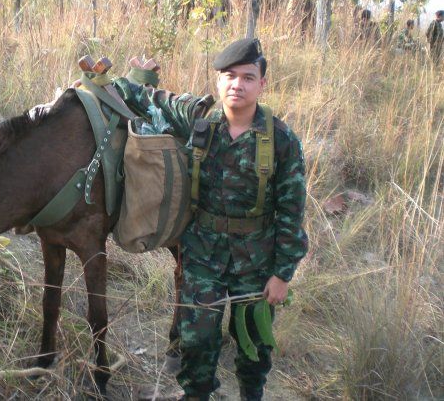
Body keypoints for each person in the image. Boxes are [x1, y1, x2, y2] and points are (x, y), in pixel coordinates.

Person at [113, 38, 308, 401]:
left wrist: (282, 274)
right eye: (229, 76)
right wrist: (112, 80)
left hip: (257, 257)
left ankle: (252, 393)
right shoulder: (199, 122)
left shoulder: (281, 140)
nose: (238, 84)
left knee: (253, 341)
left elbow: (292, 212)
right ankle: (196, 393)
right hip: (202, 252)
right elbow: (152, 99)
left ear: (262, 84)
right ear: (218, 81)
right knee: (196, 338)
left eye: (248, 77)